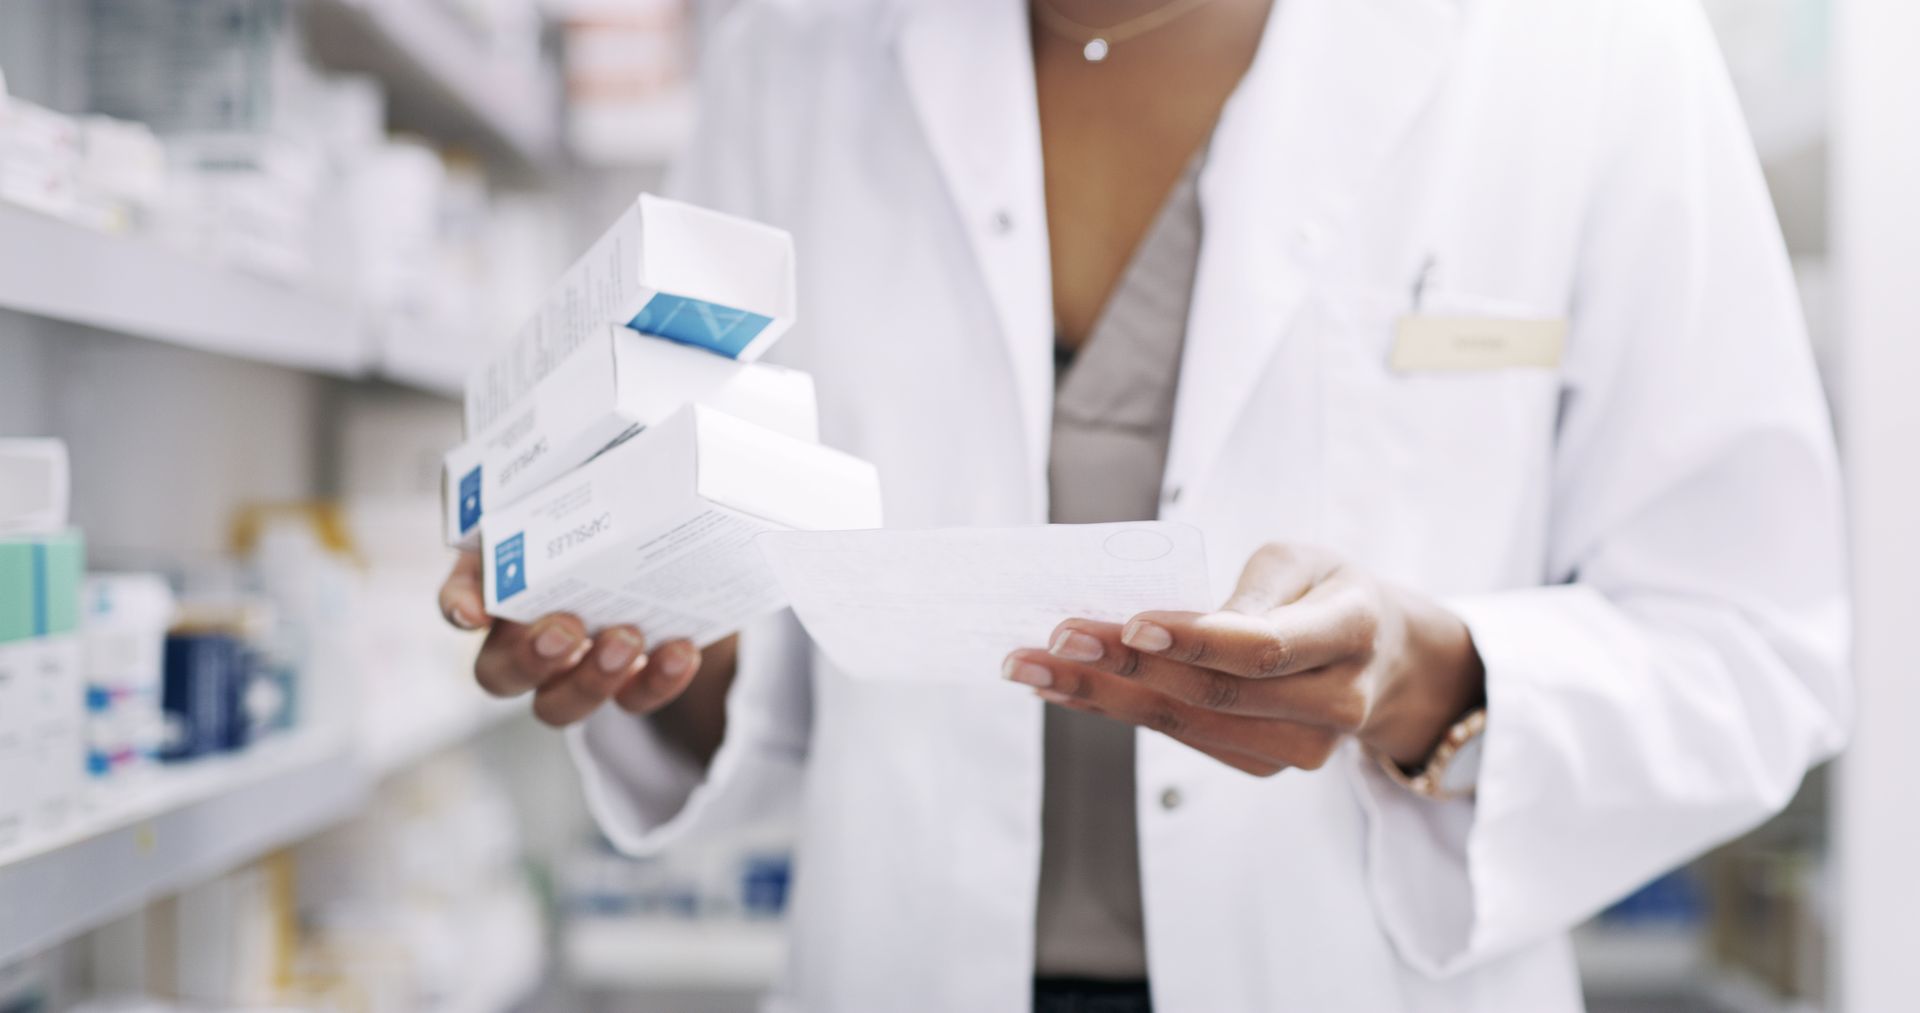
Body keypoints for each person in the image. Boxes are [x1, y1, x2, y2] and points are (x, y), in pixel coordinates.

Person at [436, 0, 1850, 1008]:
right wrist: (643, 635)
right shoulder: (794, 62)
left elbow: (1754, 641)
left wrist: (1428, 683)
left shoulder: (1584, 46)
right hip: (898, 959)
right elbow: (770, 640)